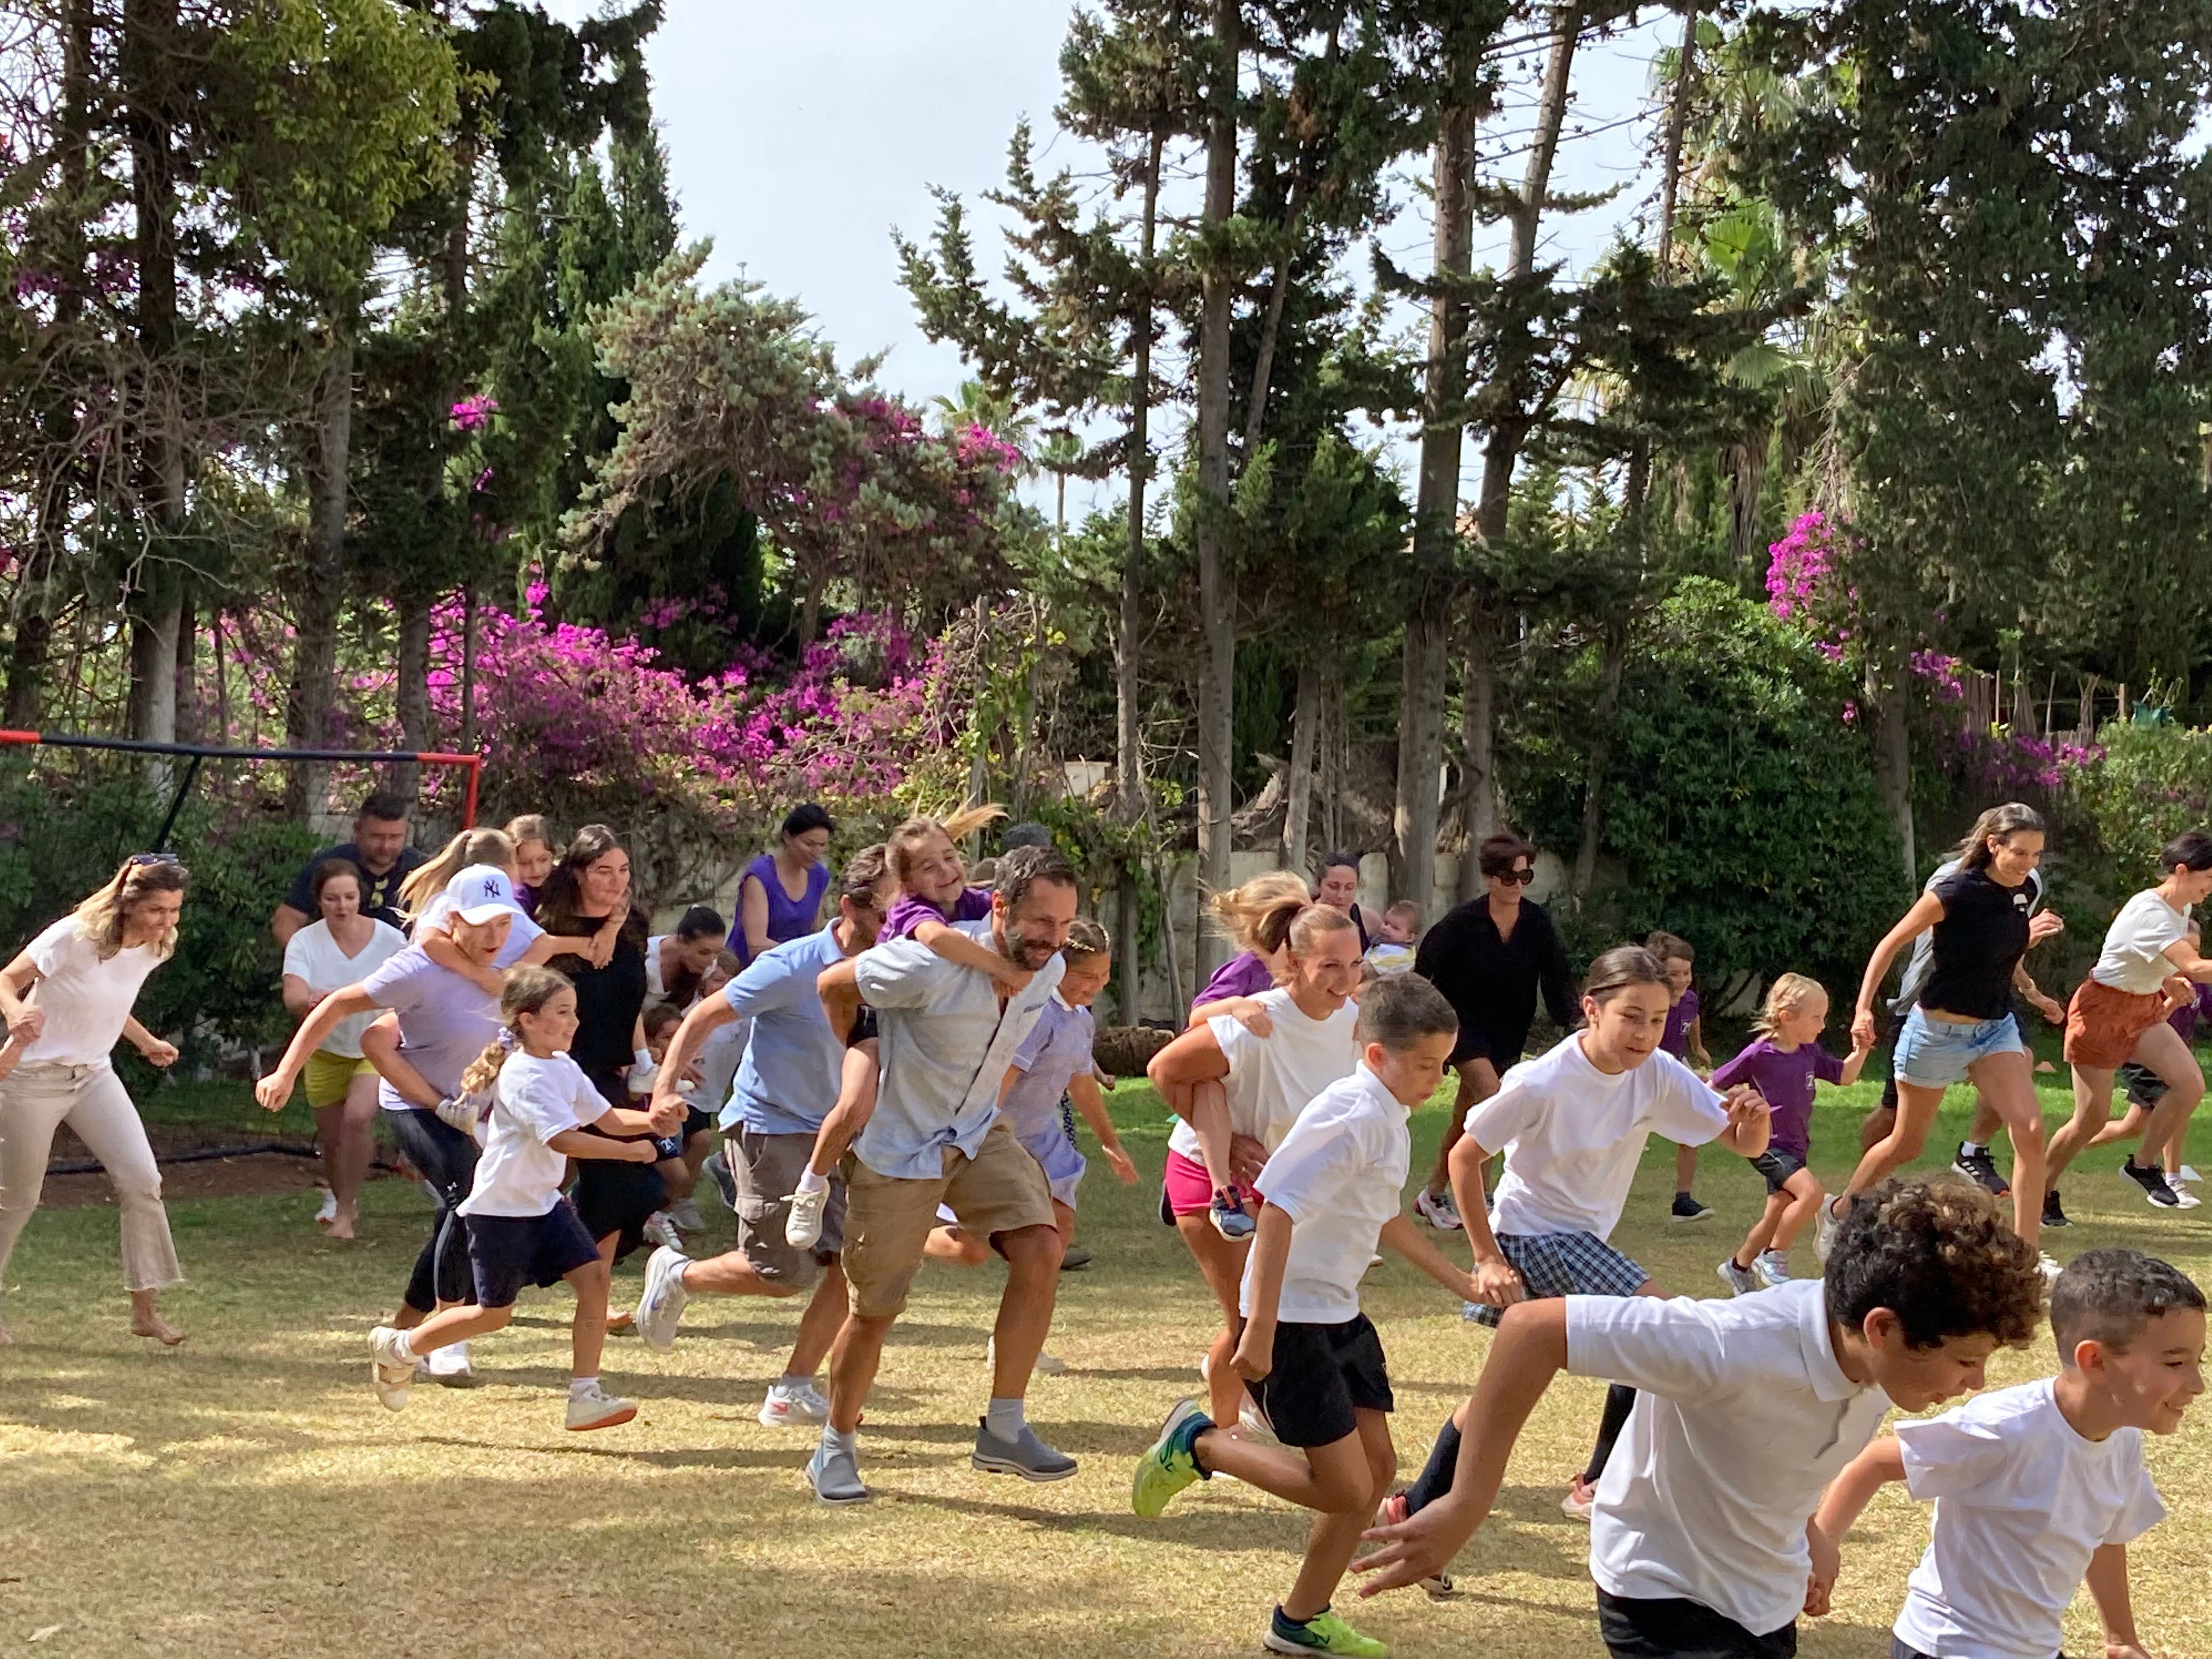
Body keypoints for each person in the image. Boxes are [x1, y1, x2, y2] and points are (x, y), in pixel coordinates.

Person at [1356, 1178, 2050, 1659]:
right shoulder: (1729, 1344)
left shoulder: (1880, 1365)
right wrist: (1468, 1501)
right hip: (1661, 1588)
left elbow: (1771, 1443)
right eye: (1966, 1361)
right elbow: (1532, 1329)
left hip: (1764, 1595)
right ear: (1883, 1328)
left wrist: (1810, 1530)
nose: (1974, 1383)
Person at [1131, 974, 1475, 1659]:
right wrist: (1257, 1328)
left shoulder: (1388, 1116)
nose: (1437, 1080)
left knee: (1375, 1471)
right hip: (1291, 1320)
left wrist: (1460, 1279)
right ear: (1377, 1056)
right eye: (1425, 1065)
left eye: (1444, 1064)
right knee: (1344, 1488)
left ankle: (1300, 1620)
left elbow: (1381, 1215)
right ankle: (1200, 1444)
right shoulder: (1352, 1113)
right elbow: (1278, 1208)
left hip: (1338, 1313)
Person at [1393, 945, 1771, 1528]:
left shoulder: (1658, 1074)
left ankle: (1411, 1506)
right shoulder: (1541, 1081)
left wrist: (1756, 1123)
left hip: (1580, 1244)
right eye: (1632, 1016)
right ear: (1592, 1009)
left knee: (1502, 1400)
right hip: (1531, 1238)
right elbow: (1465, 1159)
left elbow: (1742, 1144)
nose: (1645, 1033)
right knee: (1664, 1328)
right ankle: (1598, 1483)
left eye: (1657, 1020)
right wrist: (1486, 1257)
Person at [805, 844, 1079, 1503]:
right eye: (1042, 923)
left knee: (1042, 1245)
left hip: (978, 1132)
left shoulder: (1051, 967)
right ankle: (834, 1448)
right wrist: (860, 1053)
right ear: (1002, 908)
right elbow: (832, 985)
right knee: (875, 1311)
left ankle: (1004, 1428)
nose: (1053, 940)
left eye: (1065, 926)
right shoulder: (926, 962)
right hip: (899, 1145)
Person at [1813, 1249, 2203, 1659]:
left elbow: (2103, 1534)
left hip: (2034, 1648)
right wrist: (1824, 1543)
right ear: (2096, 1361)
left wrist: (2121, 1637)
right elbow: (1874, 1462)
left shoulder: (2122, 1437)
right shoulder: (2005, 1430)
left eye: (2199, 1361)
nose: (2197, 1384)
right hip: (1951, 1645)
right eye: (2176, 1363)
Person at [625, 849, 895, 1428]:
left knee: (853, 1264)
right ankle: (678, 1274)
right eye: (889, 911)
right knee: (781, 1276)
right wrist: (665, 1088)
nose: (901, 923)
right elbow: (704, 1018)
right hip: (771, 1127)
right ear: (850, 907)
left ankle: (791, 1389)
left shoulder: (899, 963)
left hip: (843, 1130)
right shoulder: (795, 965)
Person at [366, 968, 685, 1430]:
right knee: (492, 1315)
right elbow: (564, 1141)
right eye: (562, 1013)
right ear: (528, 1020)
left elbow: (608, 1118)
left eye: (575, 1012)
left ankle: (585, 1396)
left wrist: (653, 1120)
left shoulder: (562, 1066)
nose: (574, 1023)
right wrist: (630, 1152)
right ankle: (398, 1347)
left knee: (595, 1278)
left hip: (544, 1204)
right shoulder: (522, 1075)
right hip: (501, 1212)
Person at [257, 897, 535, 1386]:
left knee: (454, 1217)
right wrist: (285, 1072)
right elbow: (341, 1005)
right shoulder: (416, 968)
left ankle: (402, 1334)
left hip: (474, 1111)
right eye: (482, 925)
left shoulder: (516, 961)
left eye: (503, 923)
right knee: (468, 1200)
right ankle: (448, 1340)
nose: (495, 936)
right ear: (453, 922)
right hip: (415, 1105)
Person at [1146, 902, 1364, 1437]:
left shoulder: (1354, 1020)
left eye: (1355, 964)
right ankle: (1217, 1436)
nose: (1345, 980)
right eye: (1330, 966)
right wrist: (1226, 1141)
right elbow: (1164, 1068)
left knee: (1264, 1311)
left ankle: (1222, 1425)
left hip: (1277, 1184)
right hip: (1210, 1177)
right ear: (1294, 961)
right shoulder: (1254, 1024)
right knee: (1250, 1317)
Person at [1838, 804, 2064, 1267]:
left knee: (2032, 1130)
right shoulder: (1954, 889)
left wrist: (2034, 986)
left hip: (1993, 1029)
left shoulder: (2024, 891)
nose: (2029, 864)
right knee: (1906, 1143)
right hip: (1937, 1031)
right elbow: (1890, 945)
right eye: (2020, 852)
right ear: (1992, 844)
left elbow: (2001, 951)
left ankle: (2025, 1257)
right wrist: (1863, 1009)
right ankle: (1842, 1211)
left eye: (2037, 855)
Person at [786, 807, 1031, 1227]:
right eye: (928, 867)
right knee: (855, 1104)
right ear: (909, 883)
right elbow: (937, 940)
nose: (946, 871)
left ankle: (930, 1182)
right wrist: (1001, 968)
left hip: (923, 1022)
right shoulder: (912, 910)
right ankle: (812, 1184)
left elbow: (1001, 915)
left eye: (950, 858)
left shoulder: (969, 900)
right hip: (876, 1018)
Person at [0, 854, 191, 1346]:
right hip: (32, 1079)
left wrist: (145, 1041)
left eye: (174, 910)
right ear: (128, 904)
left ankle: (145, 1311)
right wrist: (18, 1015)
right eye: (157, 911)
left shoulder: (158, 947)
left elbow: (107, 1001)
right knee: (18, 1199)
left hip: (94, 1075)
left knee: (143, 1180)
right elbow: (5, 980)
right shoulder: (74, 935)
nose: (167, 922)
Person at [1409, 832, 1575, 1232]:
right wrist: (1418, 1024)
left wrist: (1569, 1018)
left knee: (1468, 1116)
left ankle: (1431, 1195)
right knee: (1494, 1100)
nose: (1517, 885)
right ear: (1488, 877)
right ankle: (1484, 1202)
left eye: (1525, 876)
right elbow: (1423, 969)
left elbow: (1556, 973)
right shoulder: (1462, 923)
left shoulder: (1536, 921)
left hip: (1509, 1029)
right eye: (1509, 877)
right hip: (1460, 1026)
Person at [989, 918, 1137, 1366]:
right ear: (1058, 968)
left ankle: (1019, 1342)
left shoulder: (1081, 1019)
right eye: (1087, 976)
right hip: (1002, 1138)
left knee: (1055, 1237)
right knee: (969, 1248)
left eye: (1104, 976)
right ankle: (918, 1234)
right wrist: (977, 1139)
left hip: (1044, 1141)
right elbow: (1001, 1081)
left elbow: (1080, 1082)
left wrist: (1110, 1142)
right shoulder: (1037, 1016)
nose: (1097, 985)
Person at [2044, 831, 2212, 1218]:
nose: (2211, 888)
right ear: (2183, 871)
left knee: (2190, 1086)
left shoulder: (2179, 907)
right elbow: (2195, 966)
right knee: (2091, 1120)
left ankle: (2142, 1165)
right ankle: (2042, 1188)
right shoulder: (2152, 911)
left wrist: (2166, 981)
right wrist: (2178, 974)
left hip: (2142, 1008)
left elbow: (2138, 956)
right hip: (2101, 1012)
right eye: (2210, 878)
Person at [1714, 973, 1873, 1295]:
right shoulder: (1759, 1054)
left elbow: (1844, 1076)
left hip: (1797, 1146)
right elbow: (1714, 1085)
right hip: (1767, 1145)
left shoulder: (1808, 1051)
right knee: (1812, 1195)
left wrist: (1863, 1050)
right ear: (1787, 1017)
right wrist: (1731, 1119)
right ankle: (1772, 1257)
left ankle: (1738, 1267)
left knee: (1776, 1212)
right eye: (1817, 1017)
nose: (1823, 1025)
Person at [280, 858, 406, 1239]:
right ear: (319, 901)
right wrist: (315, 1000)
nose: (342, 906)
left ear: (360, 898)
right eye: (332, 898)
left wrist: (335, 999)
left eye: (349, 897)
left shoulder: (390, 940)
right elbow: (294, 997)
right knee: (333, 1140)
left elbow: (404, 992)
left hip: (374, 1044)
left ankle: (346, 1211)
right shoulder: (305, 942)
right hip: (324, 1049)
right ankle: (340, 1199)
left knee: (357, 1118)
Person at [2094, 926, 2211, 1200]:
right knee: (2178, 1101)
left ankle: (2072, 1144)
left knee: (2131, 1127)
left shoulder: (2199, 984)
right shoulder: (2152, 982)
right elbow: (2147, 1022)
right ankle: (2172, 1178)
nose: (2190, 958)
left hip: (2174, 1059)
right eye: (2184, 951)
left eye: (2196, 950)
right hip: (2142, 1058)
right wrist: (2172, 1000)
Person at [271, 792, 423, 944]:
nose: (386, 846)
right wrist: (305, 960)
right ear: (357, 830)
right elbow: (288, 918)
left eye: (395, 837)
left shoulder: (423, 870)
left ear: (406, 833)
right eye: (377, 837)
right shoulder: (329, 865)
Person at [1647, 931, 1716, 1222]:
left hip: (1675, 1066)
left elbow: (1694, 1018)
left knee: (1692, 1129)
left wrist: (1697, 1047)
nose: (1682, 979)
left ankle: (1683, 1201)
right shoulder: (1651, 1002)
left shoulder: (1688, 1000)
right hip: (1647, 1070)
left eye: (1686, 972)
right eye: (1674, 974)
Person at [1190, 870, 1311, 1014]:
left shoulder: (1303, 963)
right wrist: (1235, 1006)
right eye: (1304, 916)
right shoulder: (1247, 968)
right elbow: (1199, 1011)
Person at [736, 803, 836, 967]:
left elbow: (815, 930)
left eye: (822, 845)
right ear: (788, 837)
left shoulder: (820, 876)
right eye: (809, 844)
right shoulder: (760, 875)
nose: (816, 852)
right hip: (751, 970)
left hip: (794, 972)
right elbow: (756, 944)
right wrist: (803, 956)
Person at [1313, 853, 1373, 952]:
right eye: (1333, 886)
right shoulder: (1302, 920)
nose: (1341, 895)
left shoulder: (1367, 919)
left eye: (1349, 888)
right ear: (1318, 884)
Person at [504, 814, 555, 914]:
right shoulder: (512, 895)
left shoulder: (561, 880)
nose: (536, 870)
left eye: (543, 860)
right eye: (524, 863)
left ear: (553, 855)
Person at [1362, 902, 1421, 978]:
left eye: (1395, 928)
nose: (1386, 928)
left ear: (1409, 938)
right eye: (1386, 923)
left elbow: (1367, 969)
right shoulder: (1386, 942)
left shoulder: (1398, 955)